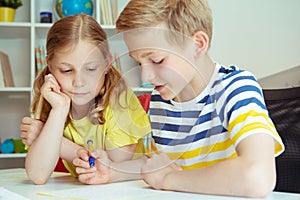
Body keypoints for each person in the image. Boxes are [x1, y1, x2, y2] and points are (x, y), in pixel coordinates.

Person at [115, 0, 285, 198]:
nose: (145, 76)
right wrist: (110, 171)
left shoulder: (235, 88)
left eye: (156, 60)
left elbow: (257, 178)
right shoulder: (160, 100)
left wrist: (167, 180)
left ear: (197, 45)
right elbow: (159, 164)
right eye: (138, 62)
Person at [20, 14, 151, 185]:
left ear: (106, 64)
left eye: (90, 69)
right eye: (67, 70)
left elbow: (105, 168)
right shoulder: (53, 99)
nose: (79, 82)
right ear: (50, 67)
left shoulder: (121, 100)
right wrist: (59, 110)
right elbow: (38, 175)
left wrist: (48, 137)